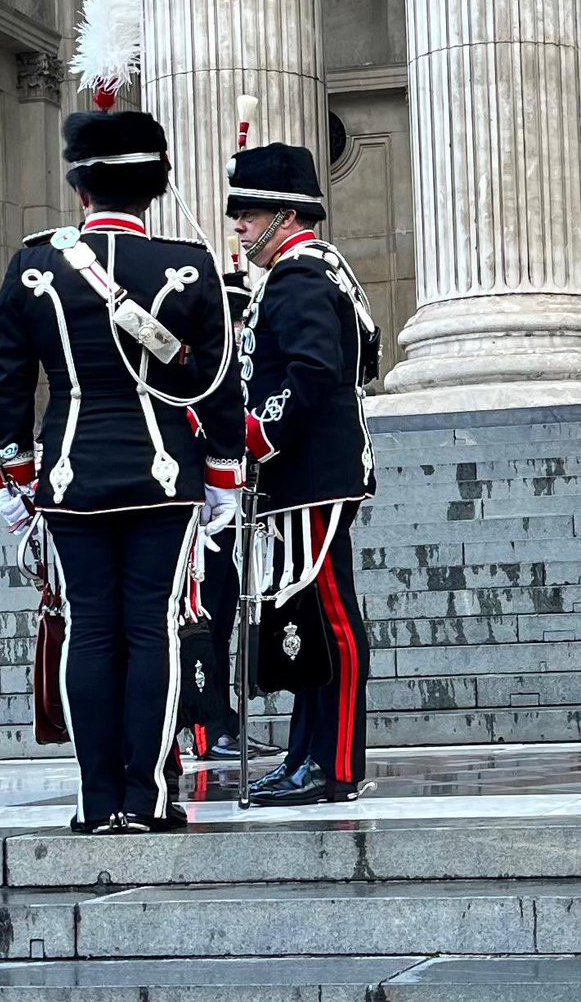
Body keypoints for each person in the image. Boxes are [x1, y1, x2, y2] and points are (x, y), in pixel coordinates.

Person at [0, 108, 246, 834]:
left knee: (89, 632)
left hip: (69, 476)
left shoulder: (33, 264)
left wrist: (15, 475)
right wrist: (224, 473)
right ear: (154, 187)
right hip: (165, 476)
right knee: (153, 631)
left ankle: (94, 802)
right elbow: (219, 388)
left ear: (79, 188)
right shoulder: (188, 264)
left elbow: (8, 388)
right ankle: (146, 799)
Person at [226, 135, 376, 806]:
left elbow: (313, 372)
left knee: (334, 619)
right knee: (310, 620)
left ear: (286, 216)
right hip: (311, 472)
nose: (239, 224)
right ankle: (306, 757)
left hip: (312, 472)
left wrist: (260, 432)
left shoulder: (300, 277)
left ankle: (335, 763)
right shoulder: (313, 271)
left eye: (250, 213)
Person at [188, 271, 279, 764]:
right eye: (236, 316)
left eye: (245, 316)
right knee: (206, 620)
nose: (242, 326)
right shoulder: (202, 367)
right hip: (205, 508)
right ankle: (207, 726)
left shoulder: (234, 365)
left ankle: (228, 720)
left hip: (234, 503)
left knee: (226, 618)